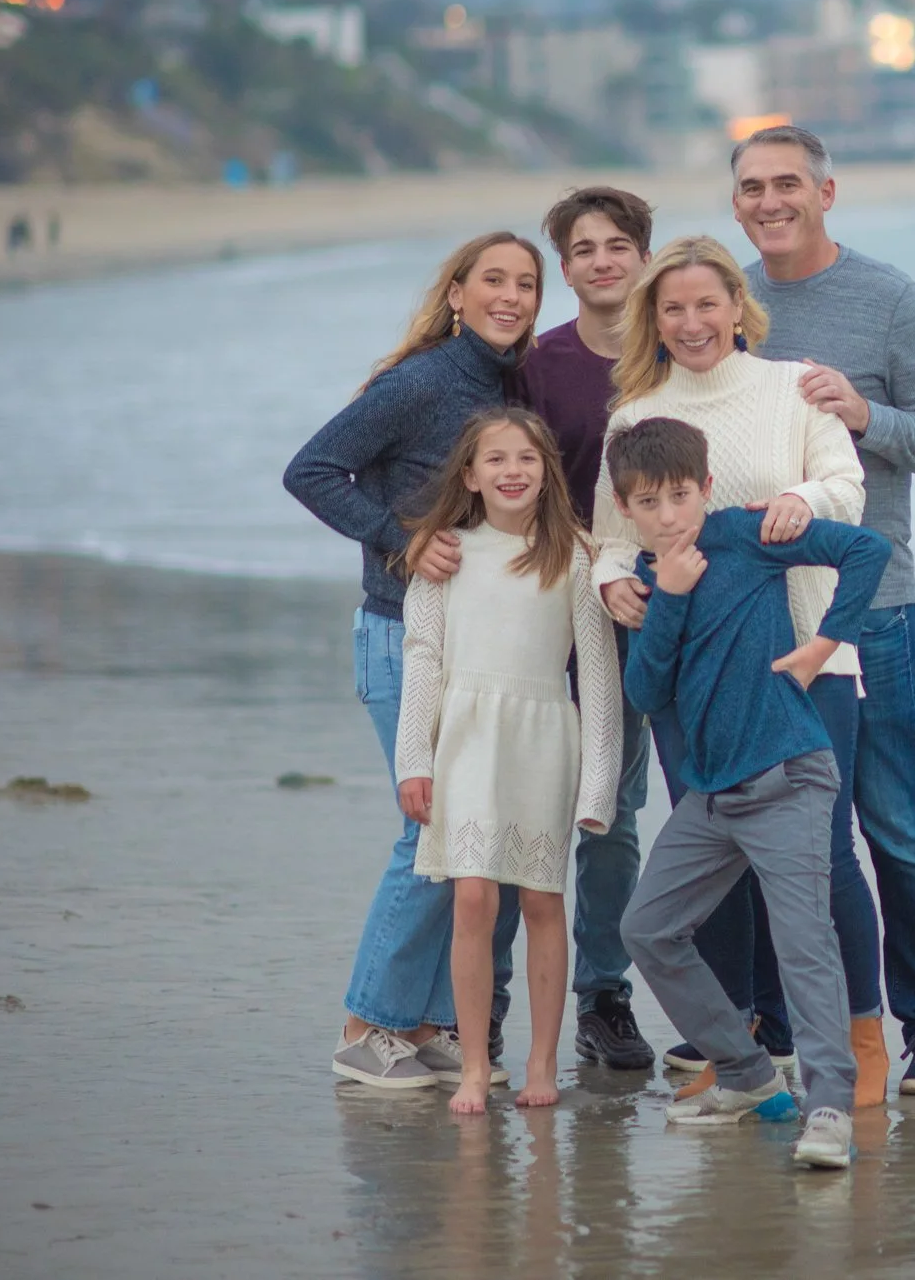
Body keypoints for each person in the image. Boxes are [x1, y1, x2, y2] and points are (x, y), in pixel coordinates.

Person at [590, 235, 893, 1106]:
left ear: (736, 306)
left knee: (825, 858)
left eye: (706, 303)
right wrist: (614, 583)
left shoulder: (790, 385)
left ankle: (860, 1034)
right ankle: (744, 1049)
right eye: (672, 308)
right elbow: (615, 536)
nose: (691, 322)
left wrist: (804, 499)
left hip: (802, 654)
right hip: (692, 668)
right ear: (653, 316)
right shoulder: (634, 413)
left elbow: (846, 484)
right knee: (711, 855)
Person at [731, 124, 915, 1096]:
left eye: (787, 182)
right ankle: (778, 1020)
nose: (769, 199)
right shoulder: (727, 302)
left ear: (827, 192)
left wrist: (866, 416)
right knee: (768, 825)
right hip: (756, 610)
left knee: (894, 819)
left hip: (869, 605)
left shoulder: (887, 299)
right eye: (751, 185)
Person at [283, 231, 544, 1089]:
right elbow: (313, 469)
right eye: (494, 281)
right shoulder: (425, 379)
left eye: (527, 285)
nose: (511, 296)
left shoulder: (501, 382)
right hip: (402, 635)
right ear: (458, 292)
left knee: (457, 838)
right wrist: (400, 538)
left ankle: (424, 1023)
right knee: (431, 827)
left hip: (470, 645)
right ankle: (367, 1027)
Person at [417, 186, 660, 1073]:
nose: (602, 261)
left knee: (611, 815)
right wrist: (421, 538)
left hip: (648, 605)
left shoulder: (669, 348)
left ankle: (605, 999)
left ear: (642, 255)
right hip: (544, 601)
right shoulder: (541, 364)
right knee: (507, 811)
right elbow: (494, 457)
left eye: (618, 245)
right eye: (584, 249)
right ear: (566, 270)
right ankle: (491, 1013)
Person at [610, 417, 890, 1169]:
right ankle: (747, 1074)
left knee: (804, 946)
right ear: (624, 506)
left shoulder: (745, 534)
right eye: (649, 502)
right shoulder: (648, 577)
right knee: (648, 927)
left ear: (705, 488)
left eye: (679, 496)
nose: (668, 516)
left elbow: (866, 549)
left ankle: (828, 1106)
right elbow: (644, 689)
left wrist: (827, 640)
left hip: (787, 776)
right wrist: (665, 595)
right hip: (711, 798)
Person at [393, 408, 621, 1113]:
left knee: (544, 897)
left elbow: (601, 675)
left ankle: (543, 1063)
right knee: (471, 895)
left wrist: (599, 784)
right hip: (464, 736)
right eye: (495, 459)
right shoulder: (445, 554)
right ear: (470, 474)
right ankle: (470, 1064)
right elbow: (423, 660)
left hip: (542, 738)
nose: (512, 470)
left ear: (547, 469)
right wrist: (413, 760)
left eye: (526, 457)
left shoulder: (574, 555)